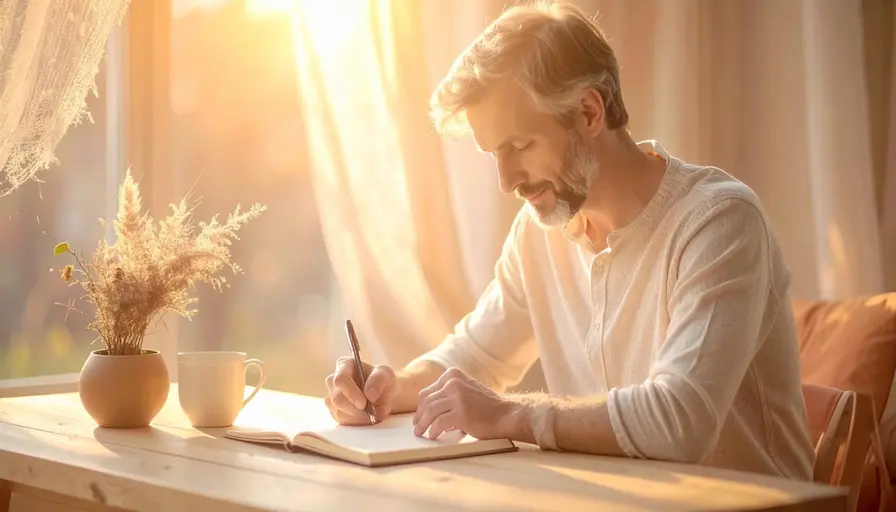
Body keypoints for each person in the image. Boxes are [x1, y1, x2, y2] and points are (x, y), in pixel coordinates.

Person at [324, 0, 815, 480]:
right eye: (494, 153)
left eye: (519, 146)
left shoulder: (718, 220)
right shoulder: (541, 231)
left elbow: (679, 419)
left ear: (587, 112)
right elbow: (477, 356)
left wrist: (508, 415)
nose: (506, 180)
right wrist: (395, 384)